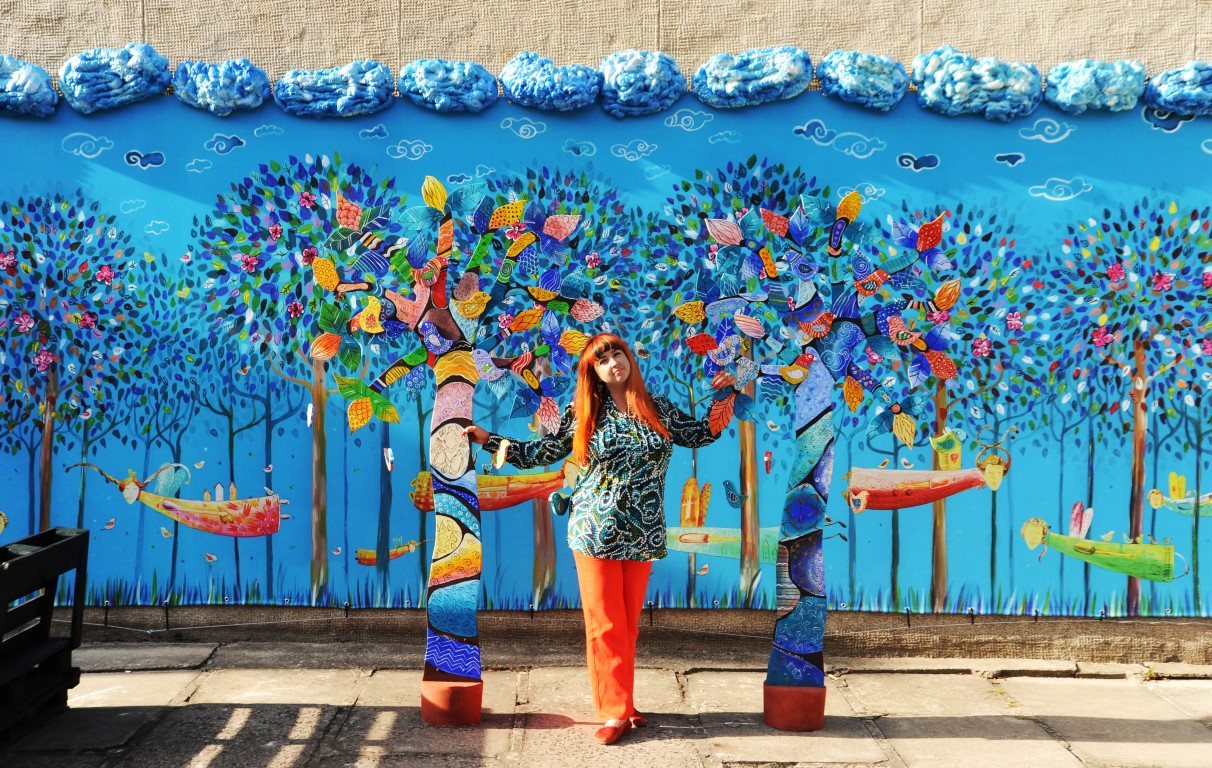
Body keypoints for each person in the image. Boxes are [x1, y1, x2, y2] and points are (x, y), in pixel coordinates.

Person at [463, 333, 735, 745]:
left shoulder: (657, 407)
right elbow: (545, 451)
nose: (613, 363)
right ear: (593, 371)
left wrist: (730, 394)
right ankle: (613, 711)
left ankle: (622, 699)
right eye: (602, 359)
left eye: (617, 354)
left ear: (628, 358)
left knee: (627, 625)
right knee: (605, 623)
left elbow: (699, 434)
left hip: (643, 531)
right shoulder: (584, 411)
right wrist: (492, 441)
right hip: (596, 529)